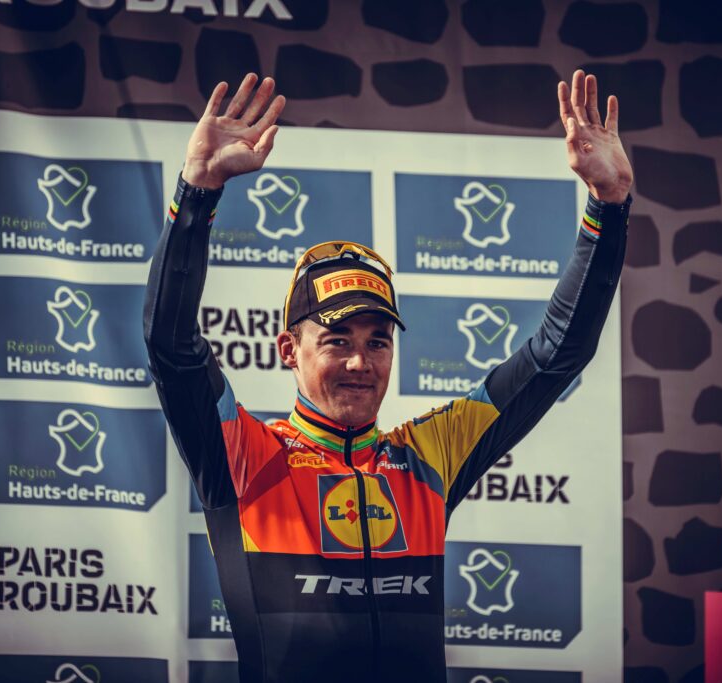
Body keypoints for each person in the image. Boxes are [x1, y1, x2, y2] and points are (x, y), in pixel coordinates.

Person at [144, 70, 632, 683]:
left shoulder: (430, 454)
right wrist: (197, 194)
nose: (361, 362)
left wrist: (608, 207)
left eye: (378, 341)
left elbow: (556, 356)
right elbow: (171, 346)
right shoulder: (244, 455)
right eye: (337, 341)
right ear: (289, 349)